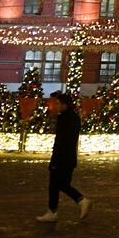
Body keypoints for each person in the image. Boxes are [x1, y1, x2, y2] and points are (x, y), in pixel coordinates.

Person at [36, 92, 91, 222]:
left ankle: (54, 211)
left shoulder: (65, 119)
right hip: (69, 157)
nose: (55, 106)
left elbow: (61, 141)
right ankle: (81, 201)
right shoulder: (73, 117)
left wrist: (55, 160)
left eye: (58, 103)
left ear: (65, 105)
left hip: (62, 158)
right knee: (62, 184)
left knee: (55, 184)